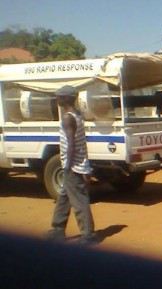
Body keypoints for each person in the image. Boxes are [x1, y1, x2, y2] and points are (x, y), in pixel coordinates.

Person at [46, 85, 95, 245]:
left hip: (73, 166)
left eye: (59, 97)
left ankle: (88, 235)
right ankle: (58, 229)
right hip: (77, 164)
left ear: (66, 98)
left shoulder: (68, 118)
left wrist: (67, 166)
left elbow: (71, 144)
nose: (57, 99)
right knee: (63, 198)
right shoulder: (77, 115)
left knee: (79, 201)